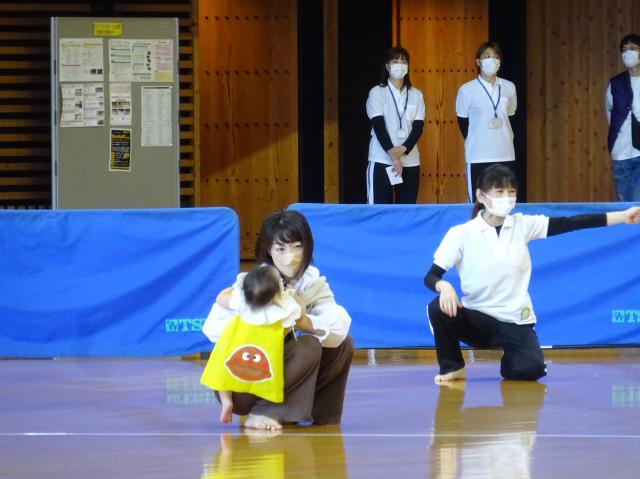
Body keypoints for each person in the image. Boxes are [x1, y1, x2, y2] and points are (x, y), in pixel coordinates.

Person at [424, 164, 640, 384]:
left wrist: (622, 216)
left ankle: (513, 359)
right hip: (477, 319)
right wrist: (444, 286)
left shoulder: (523, 224)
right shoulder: (461, 233)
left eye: (511, 192)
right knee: (437, 308)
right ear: (481, 196)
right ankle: (453, 367)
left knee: (530, 369)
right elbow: (431, 276)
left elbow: (570, 223)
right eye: (499, 192)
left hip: (515, 320)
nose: (507, 198)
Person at [202, 209, 353, 430]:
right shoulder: (254, 284)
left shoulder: (312, 283)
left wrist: (302, 320)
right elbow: (213, 330)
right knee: (308, 346)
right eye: (280, 249)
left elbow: (338, 326)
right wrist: (248, 309)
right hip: (240, 379)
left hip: (274, 373)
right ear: (268, 250)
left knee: (343, 344)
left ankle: (316, 413)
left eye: (297, 246)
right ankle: (264, 412)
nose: (290, 257)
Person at [201, 264, 301, 425]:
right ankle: (264, 408)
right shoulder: (283, 308)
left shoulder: (240, 302)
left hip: (234, 344)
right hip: (264, 353)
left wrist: (233, 289)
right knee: (268, 379)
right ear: (276, 295)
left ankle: (226, 400)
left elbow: (221, 297)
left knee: (224, 375)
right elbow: (293, 319)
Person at [456, 41, 517, 202]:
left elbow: (510, 116)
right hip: (478, 155)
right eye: (487, 56)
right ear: (478, 62)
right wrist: (478, 138)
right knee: (478, 203)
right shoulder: (466, 90)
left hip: (505, 153)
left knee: (504, 201)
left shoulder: (509, 87)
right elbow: (463, 122)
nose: (492, 60)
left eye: (496, 57)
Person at [366, 46, 426, 204]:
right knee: (379, 210)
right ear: (387, 66)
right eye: (395, 61)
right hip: (382, 159)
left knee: (406, 210)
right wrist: (393, 155)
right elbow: (379, 127)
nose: (400, 64)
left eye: (403, 61)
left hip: (410, 160)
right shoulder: (377, 92)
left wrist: (404, 148)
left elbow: (418, 127)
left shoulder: (416, 94)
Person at [606, 33, 640, 202]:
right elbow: (610, 112)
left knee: (637, 201)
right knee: (623, 202)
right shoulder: (615, 83)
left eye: (633, 48)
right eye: (625, 50)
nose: (628, 53)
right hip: (621, 151)